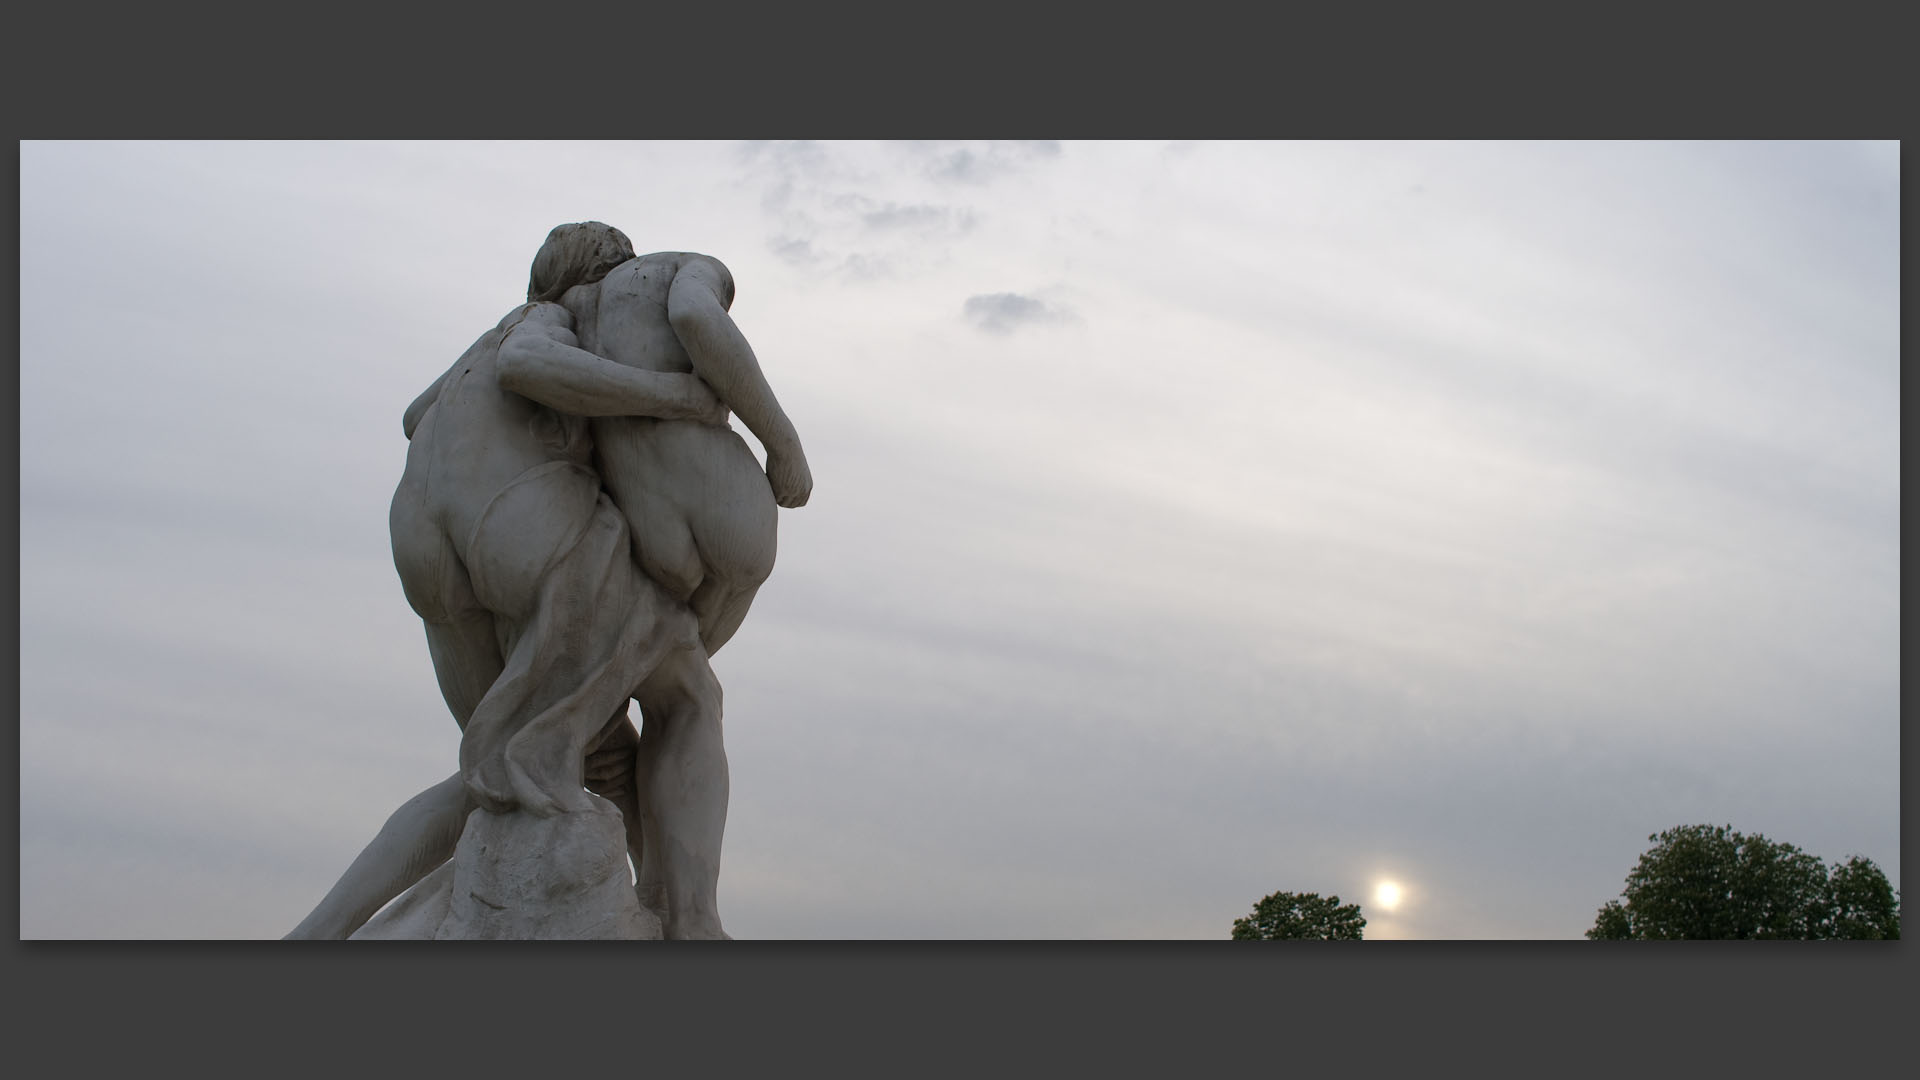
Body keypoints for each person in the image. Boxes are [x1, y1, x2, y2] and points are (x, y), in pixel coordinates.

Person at [289, 291, 733, 939]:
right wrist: (677, 395)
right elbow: (531, 363)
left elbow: (415, 415)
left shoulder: (478, 348)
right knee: (688, 688)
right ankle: (695, 923)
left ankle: (319, 932)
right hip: (525, 531)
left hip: (426, 544)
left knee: (496, 767)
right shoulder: (555, 319)